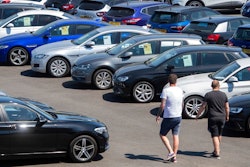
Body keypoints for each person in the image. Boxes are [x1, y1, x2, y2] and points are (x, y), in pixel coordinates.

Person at [196, 80, 229, 159]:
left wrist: (198, 115)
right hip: (222, 116)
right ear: (219, 86)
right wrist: (227, 116)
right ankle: (215, 149)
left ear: (212, 86)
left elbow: (203, 106)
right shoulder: (223, 95)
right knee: (219, 134)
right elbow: (227, 107)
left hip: (213, 117)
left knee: (214, 134)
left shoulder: (208, 95)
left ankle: (217, 152)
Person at [156, 74, 183, 163]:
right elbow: (182, 103)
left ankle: (171, 152)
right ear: (176, 81)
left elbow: (163, 104)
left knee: (162, 134)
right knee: (175, 135)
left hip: (169, 116)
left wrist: (158, 115)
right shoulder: (180, 90)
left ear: (168, 81)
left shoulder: (166, 91)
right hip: (178, 116)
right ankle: (174, 156)